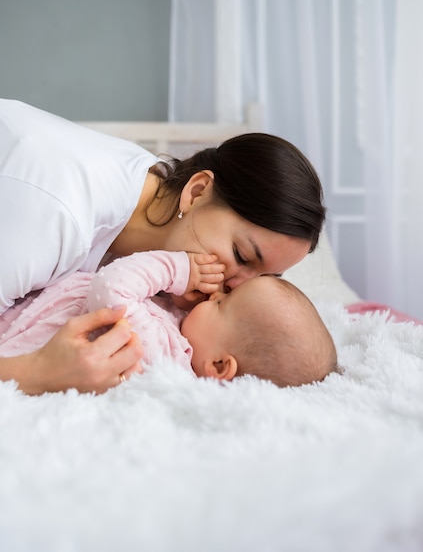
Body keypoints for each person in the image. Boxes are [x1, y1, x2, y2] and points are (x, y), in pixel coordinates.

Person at [0, 99, 326, 393]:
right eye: (241, 255)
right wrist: (38, 371)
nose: (235, 287)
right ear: (197, 192)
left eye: (261, 279)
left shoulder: (155, 210)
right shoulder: (55, 217)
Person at [0, 250, 337, 390]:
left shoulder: (162, 353)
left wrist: (179, 267)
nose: (218, 292)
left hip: (20, 344)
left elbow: (112, 288)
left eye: (224, 303)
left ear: (219, 365)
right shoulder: (181, 332)